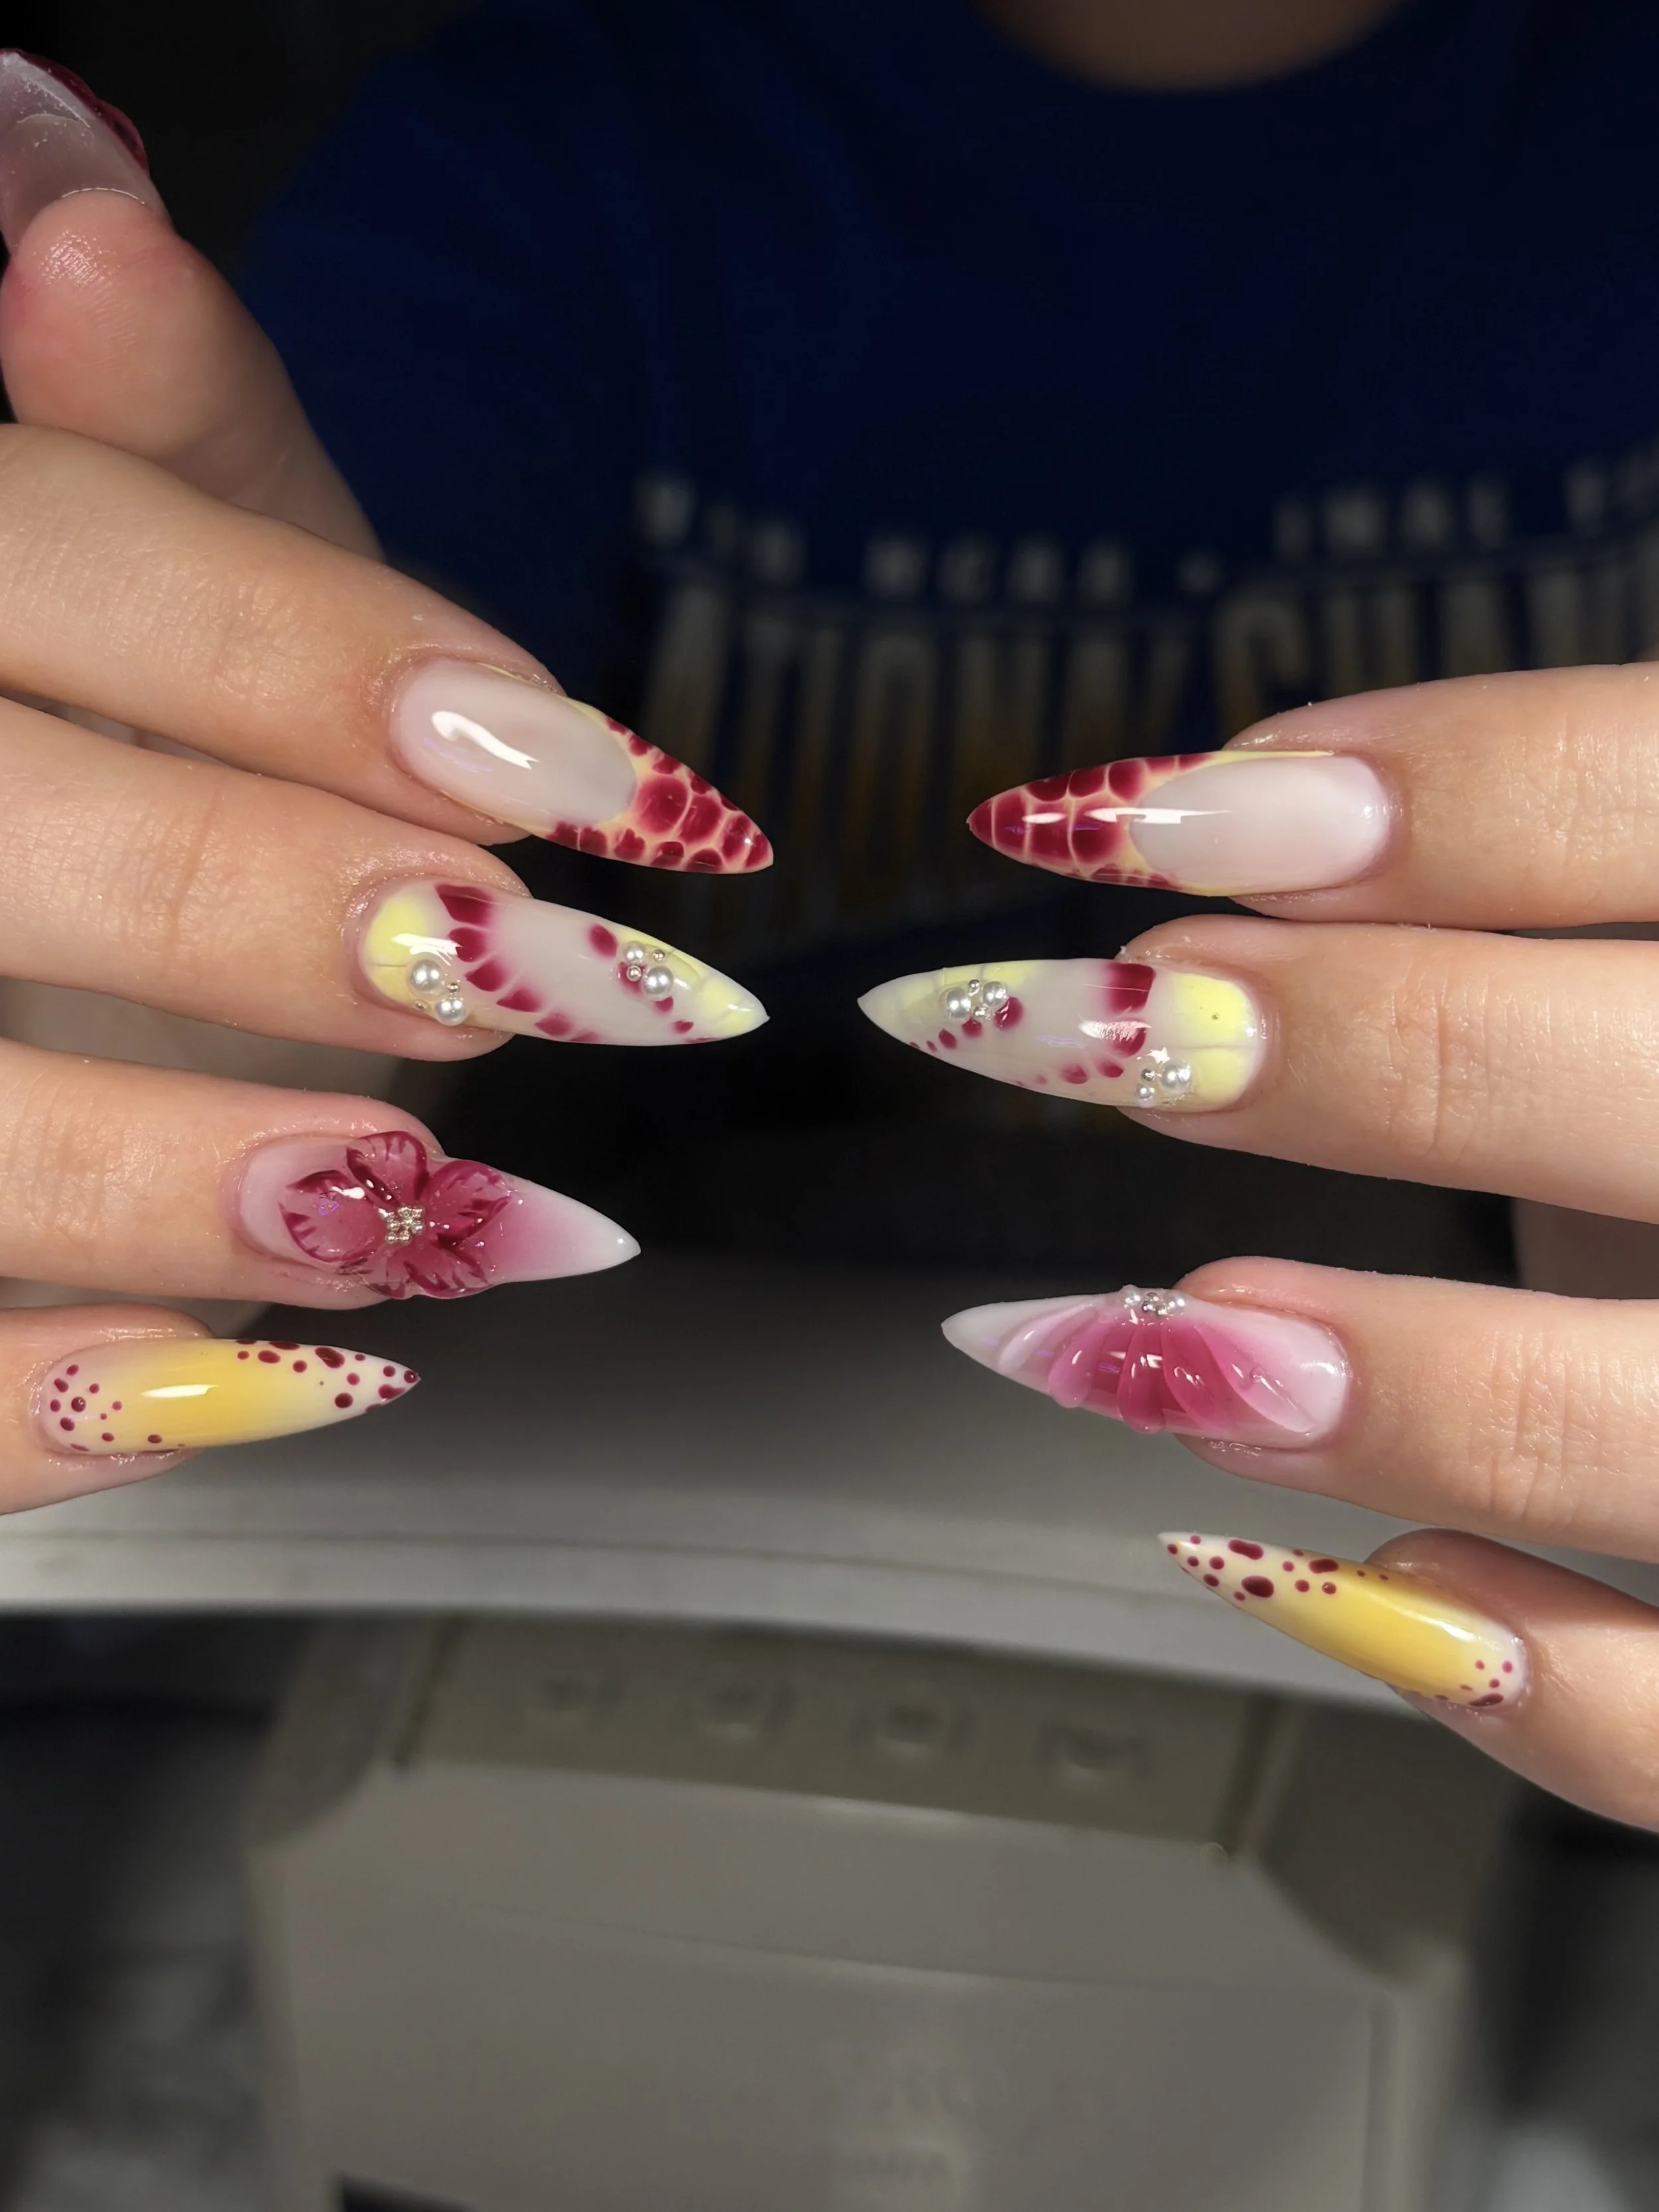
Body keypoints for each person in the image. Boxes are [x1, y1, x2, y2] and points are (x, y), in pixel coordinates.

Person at [0, 0, 1656, 1825]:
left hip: (1507, 1556)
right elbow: (262, 828)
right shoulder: (536, 160)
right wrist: (169, 1032)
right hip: (628, 1515)